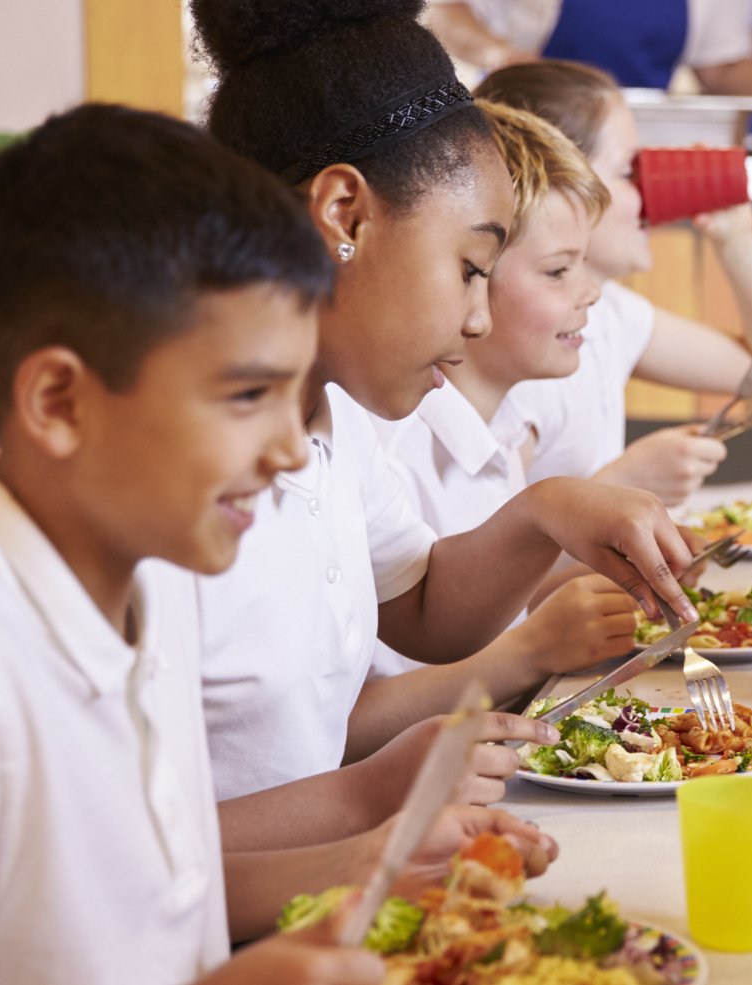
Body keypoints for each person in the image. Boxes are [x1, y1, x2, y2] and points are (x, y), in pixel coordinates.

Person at [0, 101, 555, 984]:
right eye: (246, 396)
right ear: (60, 405)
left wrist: (367, 866)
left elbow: (154, 906)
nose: (295, 450)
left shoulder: (143, 592)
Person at [187, 0, 697, 840]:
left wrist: (548, 510)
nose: (478, 318)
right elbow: (120, 855)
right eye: (468, 268)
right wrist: (368, 804)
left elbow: (420, 604)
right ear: (344, 214)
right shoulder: (171, 478)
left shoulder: (333, 418)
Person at [366, 100, 639, 708]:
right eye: (559, 270)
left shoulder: (508, 424)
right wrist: (533, 649)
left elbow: (484, 620)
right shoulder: (390, 446)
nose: (590, 291)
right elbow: (357, 711)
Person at [476, 60, 752, 506]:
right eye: (629, 170)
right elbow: (485, 566)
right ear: (564, 179)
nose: (651, 191)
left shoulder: (607, 313)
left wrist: (738, 242)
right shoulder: (520, 356)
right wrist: (621, 486)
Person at [426, 0, 752, 116]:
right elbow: (443, 11)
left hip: (635, 158)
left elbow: (721, 70)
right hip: (525, 140)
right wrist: (499, 53)